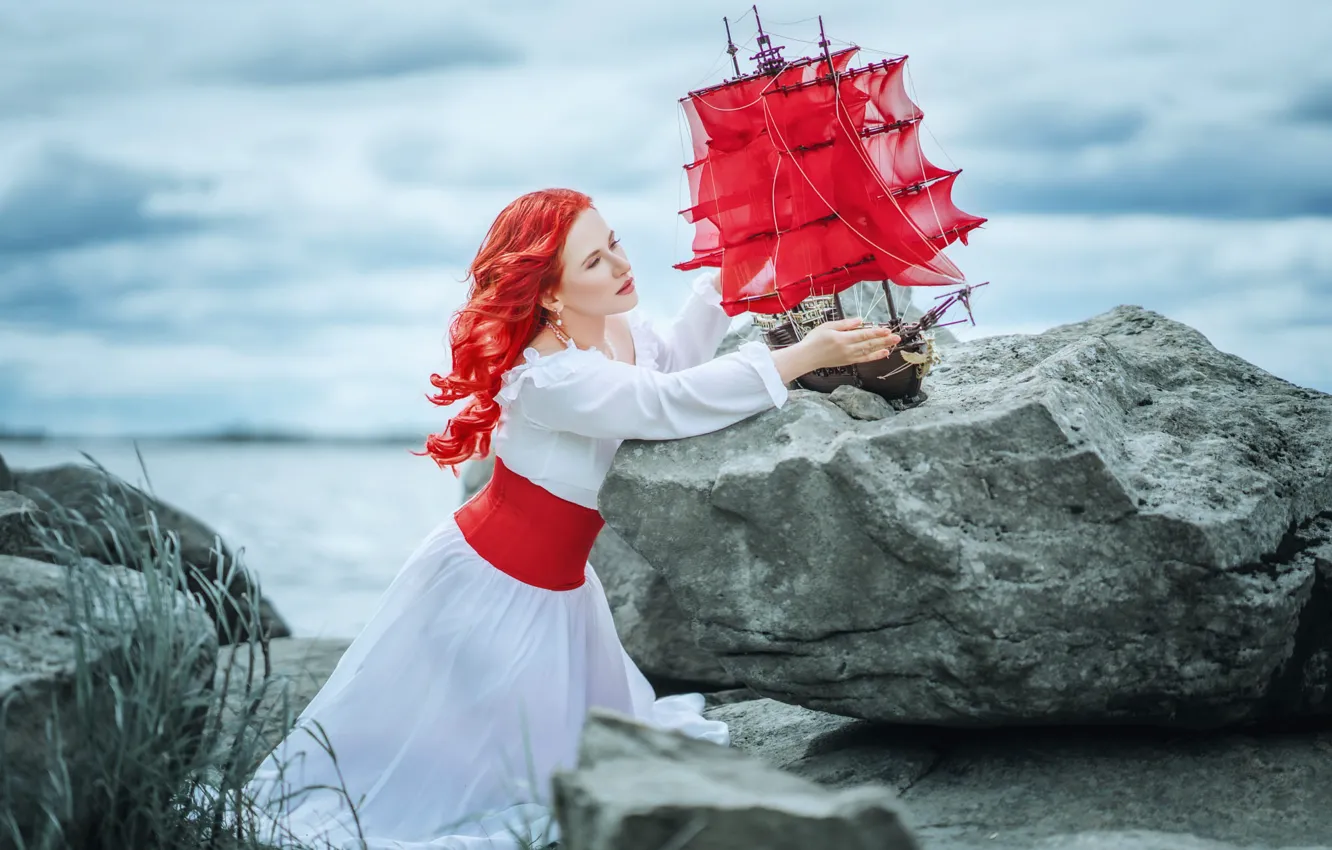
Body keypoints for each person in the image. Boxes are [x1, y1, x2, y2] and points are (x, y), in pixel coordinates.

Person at [239, 188, 900, 848]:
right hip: (491, 593)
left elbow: (673, 359)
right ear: (551, 295)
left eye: (613, 243)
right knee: (469, 788)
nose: (621, 265)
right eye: (594, 262)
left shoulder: (612, 331)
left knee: (569, 760)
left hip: (561, 591)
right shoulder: (548, 381)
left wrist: (733, 269)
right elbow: (665, 402)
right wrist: (802, 355)